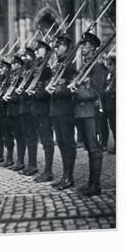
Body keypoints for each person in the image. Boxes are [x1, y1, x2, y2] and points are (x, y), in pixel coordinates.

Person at [71, 32, 104, 196]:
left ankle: (95, 186)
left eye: (85, 45)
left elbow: (96, 91)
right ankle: (91, 183)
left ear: (92, 47)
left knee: (94, 148)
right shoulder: (85, 66)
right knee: (89, 148)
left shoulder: (96, 66)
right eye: (82, 45)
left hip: (91, 112)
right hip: (81, 112)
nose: (82, 47)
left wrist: (77, 92)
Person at [47, 34, 77, 190]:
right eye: (56, 46)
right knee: (60, 143)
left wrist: (57, 90)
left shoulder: (70, 66)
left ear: (66, 47)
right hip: (55, 110)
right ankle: (65, 176)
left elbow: (72, 88)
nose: (56, 49)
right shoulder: (57, 65)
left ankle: (69, 177)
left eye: (59, 46)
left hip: (66, 110)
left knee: (68, 143)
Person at [30, 40, 55, 182]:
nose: (37, 51)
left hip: (45, 108)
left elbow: (46, 90)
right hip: (37, 108)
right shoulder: (38, 67)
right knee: (44, 141)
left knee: (47, 140)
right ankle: (46, 170)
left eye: (39, 49)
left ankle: (48, 171)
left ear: (45, 51)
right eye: (37, 49)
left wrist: (35, 93)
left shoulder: (46, 69)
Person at [17, 47, 39, 175]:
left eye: (27, 57)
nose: (25, 59)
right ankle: (29, 164)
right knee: (27, 136)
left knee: (31, 137)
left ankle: (33, 164)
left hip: (30, 107)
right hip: (23, 108)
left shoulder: (34, 71)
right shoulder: (24, 71)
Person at [103, 56, 116, 154]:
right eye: (108, 65)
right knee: (112, 126)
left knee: (116, 126)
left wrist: (110, 90)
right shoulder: (110, 75)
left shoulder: (116, 76)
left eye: (110, 65)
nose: (109, 67)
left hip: (114, 106)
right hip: (109, 106)